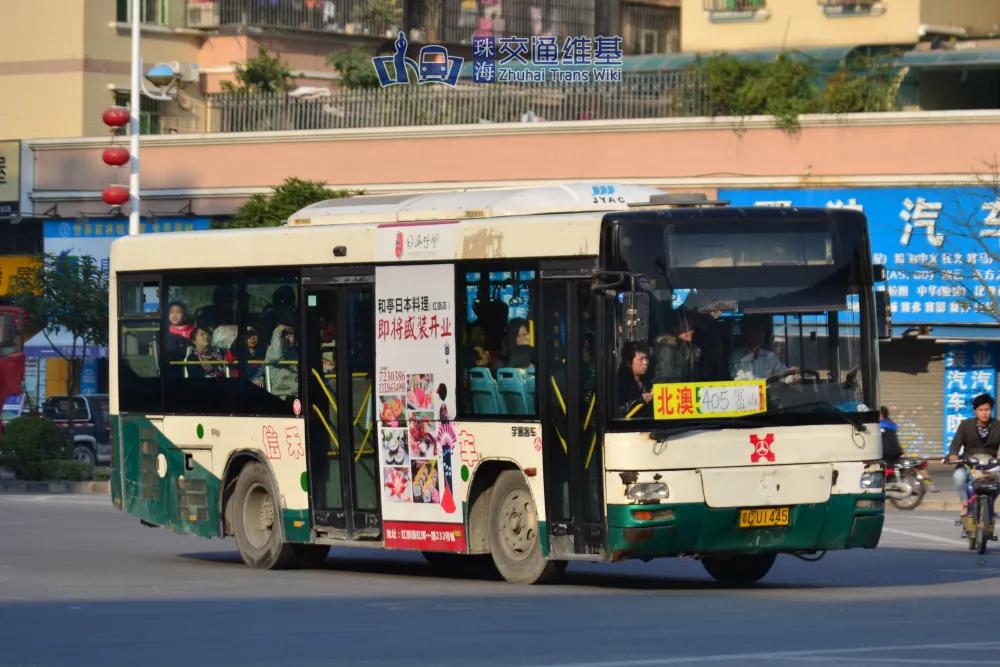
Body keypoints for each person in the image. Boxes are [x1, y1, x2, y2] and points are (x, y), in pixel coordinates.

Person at [946, 393, 1000, 516]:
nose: (984, 413)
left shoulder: (998, 426)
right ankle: (965, 504)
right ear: (975, 411)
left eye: (987, 409)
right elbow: (955, 444)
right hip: (968, 464)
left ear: (991, 410)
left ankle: (990, 504)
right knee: (958, 477)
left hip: (990, 466)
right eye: (981, 410)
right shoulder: (965, 425)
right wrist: (953, 454)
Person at [729, 317, 797, 382]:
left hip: (768, 390)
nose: (759, 336)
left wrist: (791, 376)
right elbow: (737, 379)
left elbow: (782, 375)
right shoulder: (737, 356)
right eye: (755, 333)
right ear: (748, 335)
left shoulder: (770, 356)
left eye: (761, 333)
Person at [616, 342, 653, 418]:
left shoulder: (650, 379)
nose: (646, 362)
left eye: (646, 358)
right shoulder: (619, 385)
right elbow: (618, 411)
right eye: (641, 359)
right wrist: (640, 400)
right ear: (628, 363)